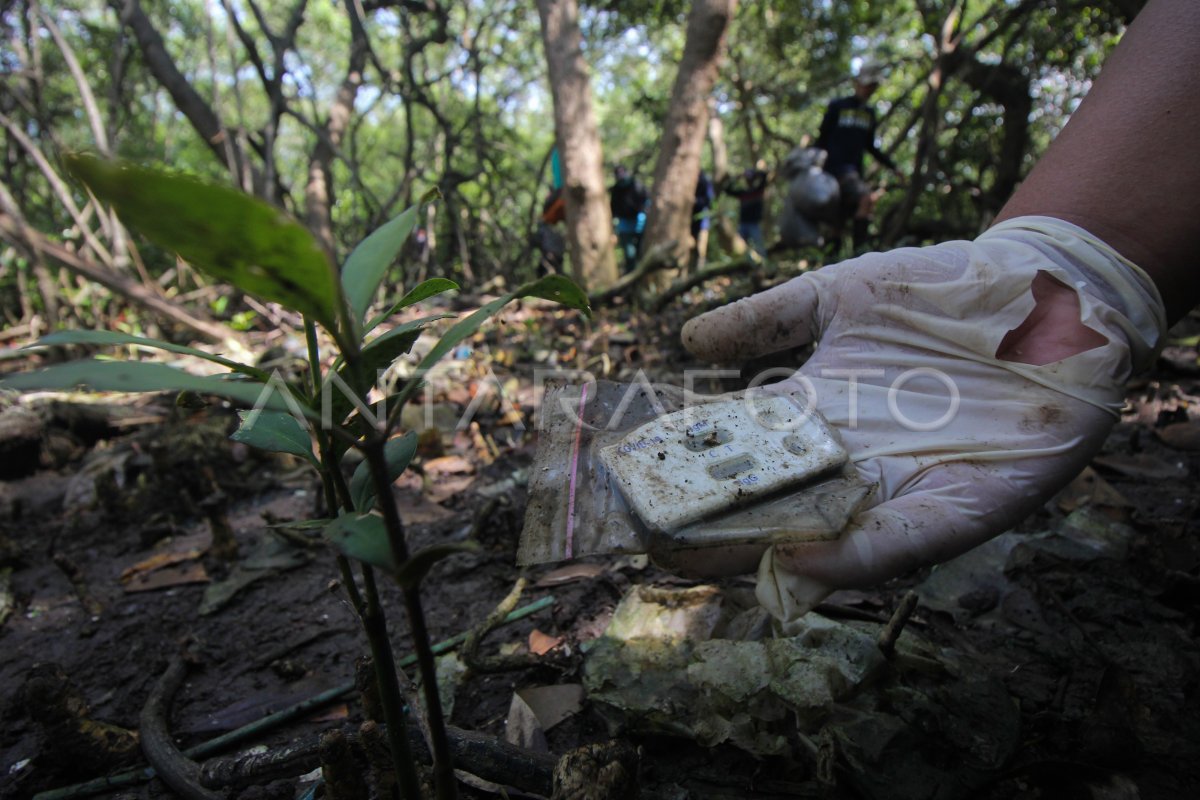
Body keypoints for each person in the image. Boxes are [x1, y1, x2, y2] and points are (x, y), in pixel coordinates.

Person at [678, 0, 1199, 625]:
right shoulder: (846, 107)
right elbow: (830, 144)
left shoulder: (862, 109)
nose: (868, 86)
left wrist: (1083, 268)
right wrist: (1078, 260)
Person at [815, 63, 902, 252]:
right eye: (866, 84)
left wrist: (893, 167)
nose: (869, 89)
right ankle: (859, 254)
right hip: (835, 169)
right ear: (857, 83)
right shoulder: (838, 106)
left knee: (842, 216)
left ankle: (838, 260)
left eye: (873, 86)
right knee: (866, 199)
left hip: (854, 171)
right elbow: (821, 139)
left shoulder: (869, 114)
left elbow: (870, 146)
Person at [722, 163, 769, 255]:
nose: (749, 180)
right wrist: (737, 177)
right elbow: (727, 190)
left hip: (754, 224)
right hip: (743, 224)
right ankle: (747, 265)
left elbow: (764, 175)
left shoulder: (758, 190)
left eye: (750, 179)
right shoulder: (742, 193)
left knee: (759, 246)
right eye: (747, 179)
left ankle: (764, 264)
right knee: (741, 249)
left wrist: (754, 173)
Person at [610, 165, 648, 271]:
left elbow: (646, 200)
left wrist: (643, 214)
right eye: (619, 174)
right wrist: (615, 223)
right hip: (624, 225)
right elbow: (613, 208)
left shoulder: (637, 185)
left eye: (623, 173)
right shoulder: (616, 190)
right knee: (629, 254)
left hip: (639, 222)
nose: (621, 176)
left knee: (641, 252)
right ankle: (632, 275)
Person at [691, 170, 716, 271]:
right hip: (691, 223)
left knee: (701, 249)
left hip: (703, 222)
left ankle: (700, 271)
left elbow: (710, 200)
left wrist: (696, 201)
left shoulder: (705, 181)